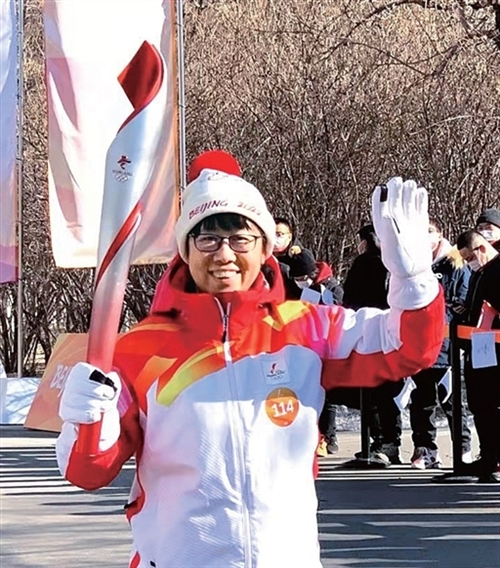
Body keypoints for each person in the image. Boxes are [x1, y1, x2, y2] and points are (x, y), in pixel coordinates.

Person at [56, 159, 444, 568]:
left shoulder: (307, 329)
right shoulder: (140, 350)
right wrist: (85, 420)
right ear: (186, 250)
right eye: (207, 239)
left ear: (264, 249)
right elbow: (88, 471)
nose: (224, 254)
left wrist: (413, 280)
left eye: (240, 238)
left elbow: (408, 347)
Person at [409, 219, 472, 469]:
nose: (425, 237)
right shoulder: (414, 265)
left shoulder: (456, 264)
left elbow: (462, 304)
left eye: (430, 232)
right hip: (420, 345)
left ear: (439, 235)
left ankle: (463, 449)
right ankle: (425, 450)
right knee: (422, 401)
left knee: (452, 401)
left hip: (448, 345)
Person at [342, 223, 403, 465]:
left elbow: (350, 296)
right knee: (380, 392)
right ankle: (385, 441)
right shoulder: (392, 262)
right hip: (384, 332)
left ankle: (382, 441)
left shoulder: (367, 263)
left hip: (369, 332)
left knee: (375, 392)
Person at [286, 249, 344, 455]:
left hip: (326, 347)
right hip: (301, 345)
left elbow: (340, 311)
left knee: (326, 396)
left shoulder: (331, 287)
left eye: (302, 278)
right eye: (296, 279)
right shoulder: (294, 288)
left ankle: (328, 436)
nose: (300, 282)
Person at [456, 229, 500, 483]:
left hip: (495, 349)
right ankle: (488, 455)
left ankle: (495, 458)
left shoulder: (497, 269)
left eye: (470, 258)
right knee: (480, 404)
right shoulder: (479, 273)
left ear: (482, 249)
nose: (469, 263)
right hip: (479, 347)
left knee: (493, 404)